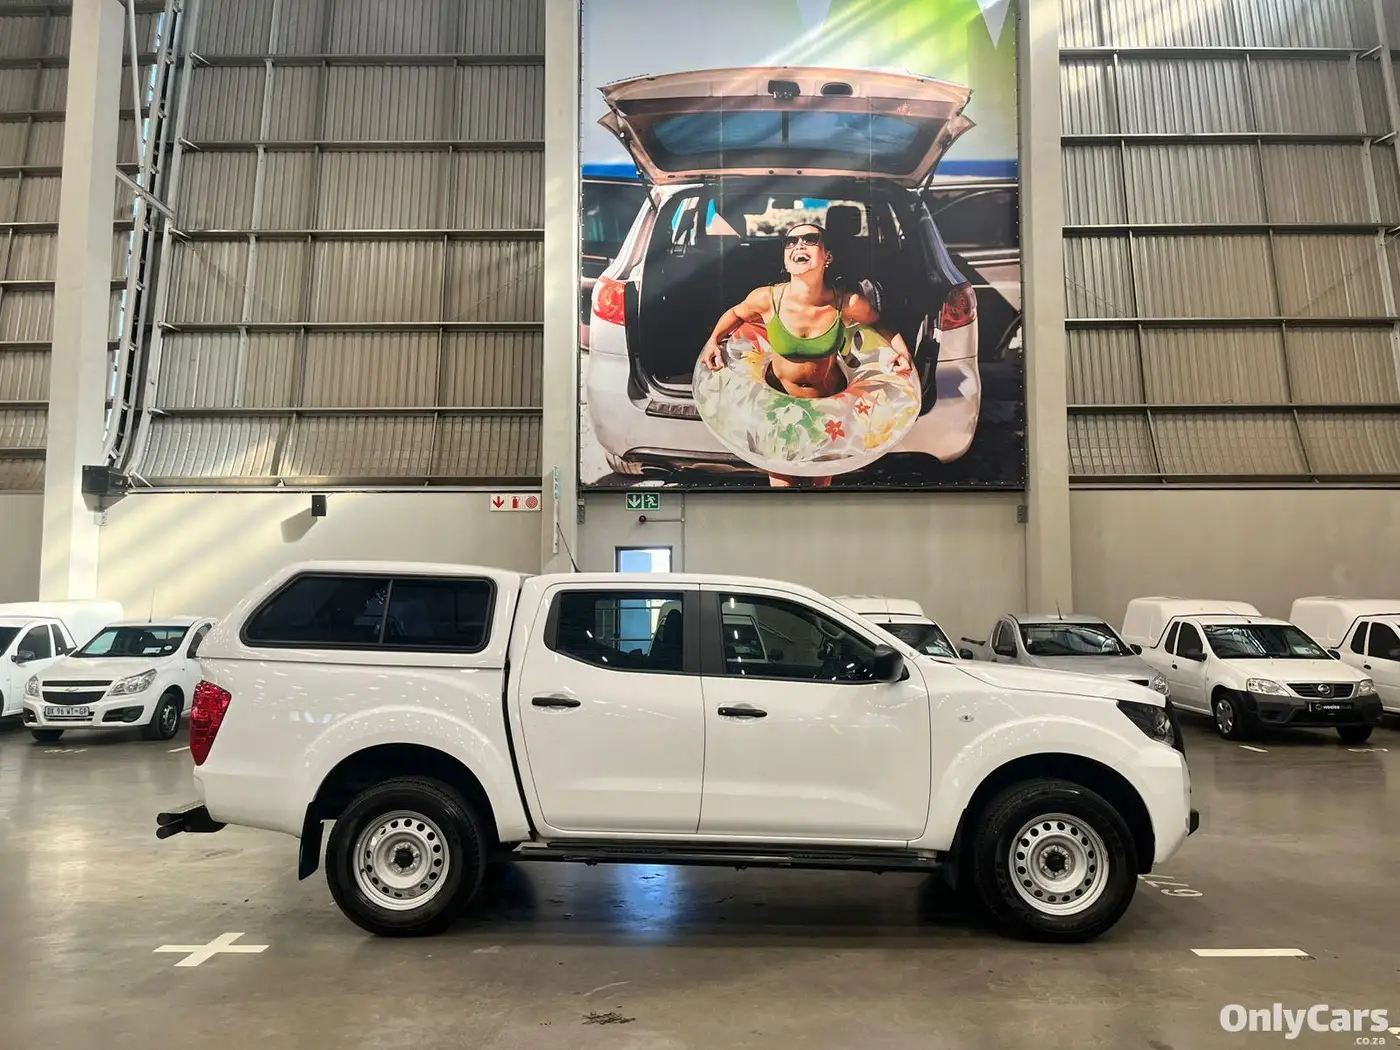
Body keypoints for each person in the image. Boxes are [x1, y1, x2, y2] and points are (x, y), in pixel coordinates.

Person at [699, 221, 913, 487]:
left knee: (818, 491)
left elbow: (880, 322)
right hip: (777, 411)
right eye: (790, 242)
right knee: (782, 490)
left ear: (827, 257)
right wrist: (713, 341)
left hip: (827, 411)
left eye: (810, 239)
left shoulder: (847, 303)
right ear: (786, 261)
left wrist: (902, 351)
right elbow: (735, 313)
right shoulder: (767, 299)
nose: (798, 245)